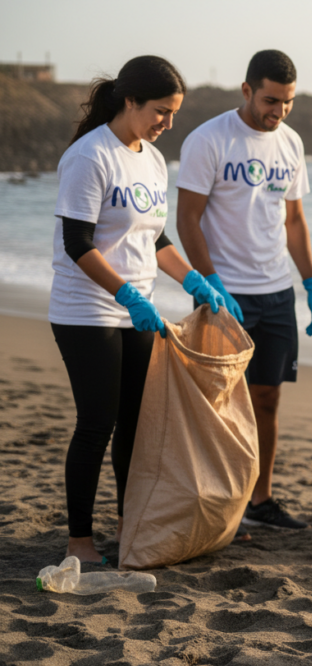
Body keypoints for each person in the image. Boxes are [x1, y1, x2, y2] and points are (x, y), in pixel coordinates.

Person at [49, 56, 226, 564]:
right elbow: (78, 242)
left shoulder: (150, 157)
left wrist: (192, 277)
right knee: (97, 422)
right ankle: (79, 541)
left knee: (134, 423)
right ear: (129, 101)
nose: (167, 123)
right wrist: (126, 294)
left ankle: (131, 525)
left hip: (137, 309)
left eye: (173, 114)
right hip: (87, 311)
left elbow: (156, 236)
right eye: (160, 111)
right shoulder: (90, 156)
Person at [177, 49, 312, 533]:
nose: (278, 112)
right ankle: (214, 496)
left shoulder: (292, 143)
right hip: (224, 294)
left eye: (287, 102)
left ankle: (260, 500)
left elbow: (295, 220)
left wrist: (311, 283)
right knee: (217, 402)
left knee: (267, 399)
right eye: (270, 100)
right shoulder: (209, 139)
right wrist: (210, 280)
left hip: (276, 291)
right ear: (246, 91)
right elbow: (187, 218)